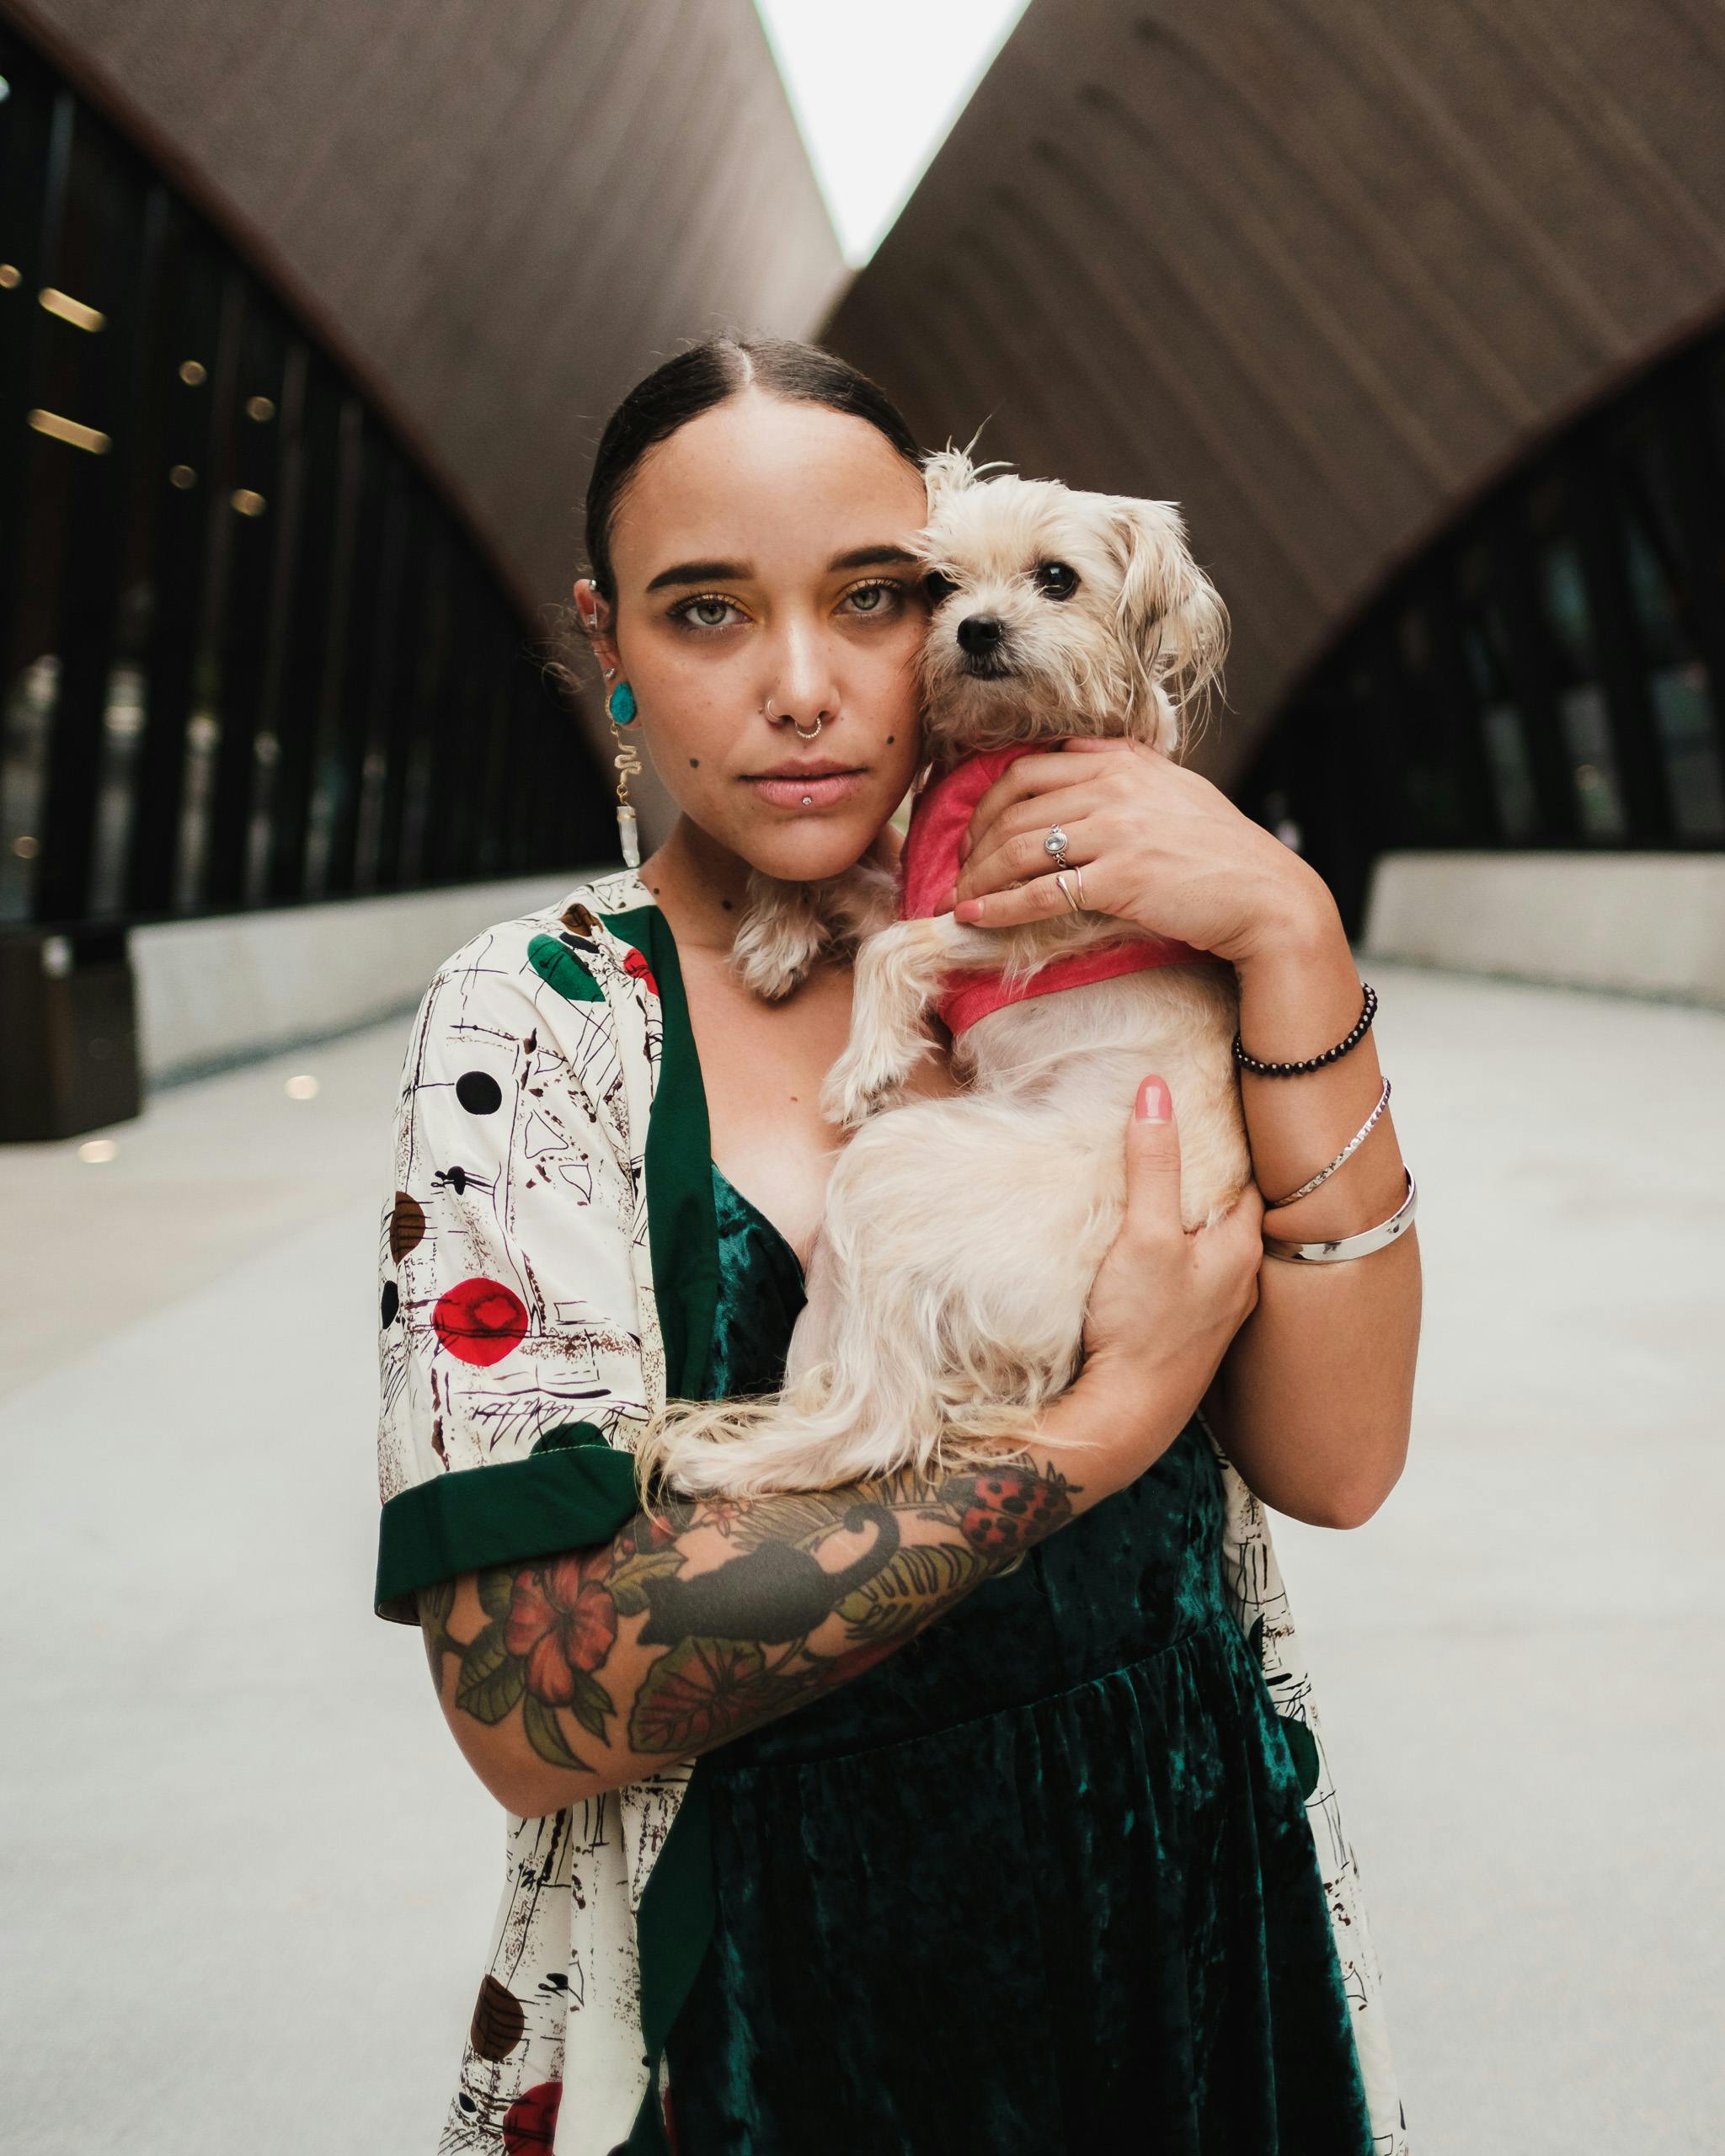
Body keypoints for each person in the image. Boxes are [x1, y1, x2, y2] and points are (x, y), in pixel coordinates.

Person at [373, 334, 1420, 2156]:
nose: (800, 686)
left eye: (875, 596)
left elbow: (1337, 1463)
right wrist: (1095, 1428)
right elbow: (530, 1710)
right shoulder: (532, 1025)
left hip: (1178, 1878)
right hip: (769, 1978)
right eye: (705, 612)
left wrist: (1290, 930)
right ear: (605, 644)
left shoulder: (1151, 946)